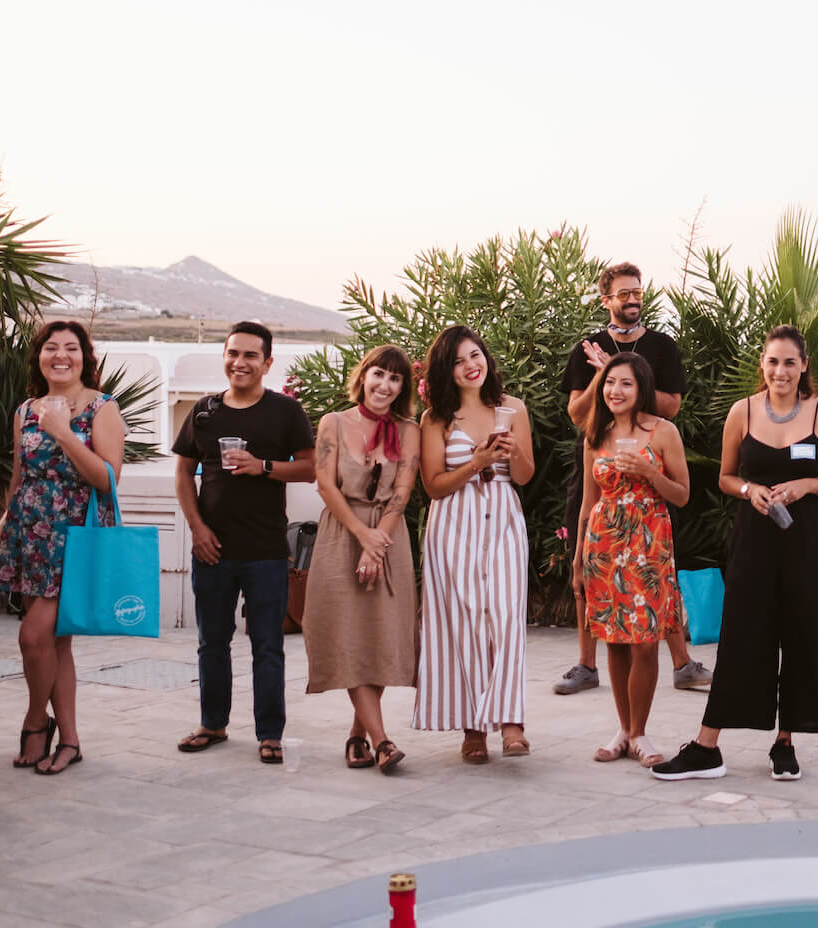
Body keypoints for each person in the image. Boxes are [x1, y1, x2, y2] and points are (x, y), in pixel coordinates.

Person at [652, 326, 818, 781]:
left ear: (804, 365)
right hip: (755, 538)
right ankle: (707, 746)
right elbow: (726, 477)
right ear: (762, 365)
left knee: (803, 636)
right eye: (772, 362)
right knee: (743, 635)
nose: (780, 371)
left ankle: (785, 742)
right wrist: (750, 490)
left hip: (809, 544)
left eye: (789, 362)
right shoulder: (741, 412)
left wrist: (810, 484)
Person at [555, 263, 711, 696]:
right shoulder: (586, 348)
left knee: (657, 571)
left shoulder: (661, 347)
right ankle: (587, 664)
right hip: (598, 465)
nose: (632, 299)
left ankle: (682, 663)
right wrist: (604, 374)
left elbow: (672, 406)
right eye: (623, 293)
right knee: (587, 560)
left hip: (648, 472)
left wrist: (625, 374)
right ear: (606, 299)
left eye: (637, 292)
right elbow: (577, 414)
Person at [173, 321, 315, 766]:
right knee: (211, 642)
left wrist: (263, 466)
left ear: (267, 363)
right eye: (234, 353)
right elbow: (183, 475)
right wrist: (197, 529)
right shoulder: (204, 412)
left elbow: (309, 469)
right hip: (212, 548)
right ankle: (212, 723)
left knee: (267, 645)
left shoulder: (285, 412)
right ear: (225, 357)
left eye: (251, 355)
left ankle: (270, 733)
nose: (240, 362)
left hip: (266, 550)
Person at [0, 320, 126, 774]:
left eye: (71, 348)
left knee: (33, 636)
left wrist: (65, 432)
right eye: (51, 348)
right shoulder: (24, 410)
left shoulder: (102, 407)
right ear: (39, 356)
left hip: (75, 536)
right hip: (30, 534)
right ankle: (69, 739)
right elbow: (20, 474)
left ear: (84, 358)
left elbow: (107, 480)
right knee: (56, 644)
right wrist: (6, 517)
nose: (60, 355)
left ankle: (36, 721)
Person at [414, 325, 536, 763]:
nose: (471, 366)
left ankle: (511, 721)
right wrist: (477, 462)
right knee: (462, 621)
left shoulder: (513, 408)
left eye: (475, 355)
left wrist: (510, 452)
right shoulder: (436, 419)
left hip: (503, 519)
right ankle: (473, 729)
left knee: (504, 617)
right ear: (447, 372)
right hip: (454, 524)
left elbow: (524, 476)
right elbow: (433, 485)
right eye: (459, 361)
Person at [303, 345, 421, 774]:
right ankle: (382, 740)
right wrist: (362, 537)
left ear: (402, 387)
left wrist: (378, 541)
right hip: (342, 533)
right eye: (378, 374)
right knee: (346, 634)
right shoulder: (332, 423)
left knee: (379, 636)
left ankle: (359, 735)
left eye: (394, 379)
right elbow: (325, 485)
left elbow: (404, 491)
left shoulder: (410, 429)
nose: (384, 385)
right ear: (363, 376)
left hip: (389, 538)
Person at [574, 353, 690, 766]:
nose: (615, 391)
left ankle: (640, 732)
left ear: (641, 387)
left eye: (624, 383)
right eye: (609, 383)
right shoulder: (596, 435)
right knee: (615, 640)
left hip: (648, 541)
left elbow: (682, 494)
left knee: (644, 642)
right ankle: (623, 730)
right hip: (604, 544)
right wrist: (577, 561)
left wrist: (649, 472)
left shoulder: (663, 432)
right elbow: (588, 503)